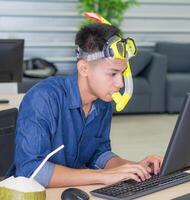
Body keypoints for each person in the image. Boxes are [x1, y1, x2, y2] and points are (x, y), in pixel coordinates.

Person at [9, 22, 162, 188]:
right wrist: (102, 176)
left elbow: (99, 154)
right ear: (84, 68)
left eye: (122, 73)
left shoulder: (103, 102)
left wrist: (136, 168)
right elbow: (31, 171)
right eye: (113, 73)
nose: (120, 83)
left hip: (72, 191)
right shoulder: (43, 99)